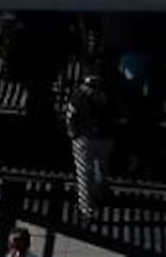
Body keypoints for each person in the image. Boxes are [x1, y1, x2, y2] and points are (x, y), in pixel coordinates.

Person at [66, 71, 115, 220]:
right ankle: (101, 194)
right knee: (102, 169)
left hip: (84, 138)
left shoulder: (78, 96)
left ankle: (86, 208)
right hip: (105, 137)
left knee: (84, 174)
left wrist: (73, 134)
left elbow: (70, 117)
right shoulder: (107, 95)